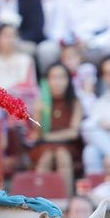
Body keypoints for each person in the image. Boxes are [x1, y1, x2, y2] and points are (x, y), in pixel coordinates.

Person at [28, 61, 82, 196]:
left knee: (62, 156)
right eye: (54, 77)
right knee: (46, 158)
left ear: (68, 80)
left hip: (68, 145)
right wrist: (38, 115)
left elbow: (73, 133)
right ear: (47, 81)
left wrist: (49, 137)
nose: (57, 82)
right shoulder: (41, 103)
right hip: (44, 146)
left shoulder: (74, 102)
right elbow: (38, 134)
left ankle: (66, 199)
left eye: (61, 77)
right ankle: (39, 200)